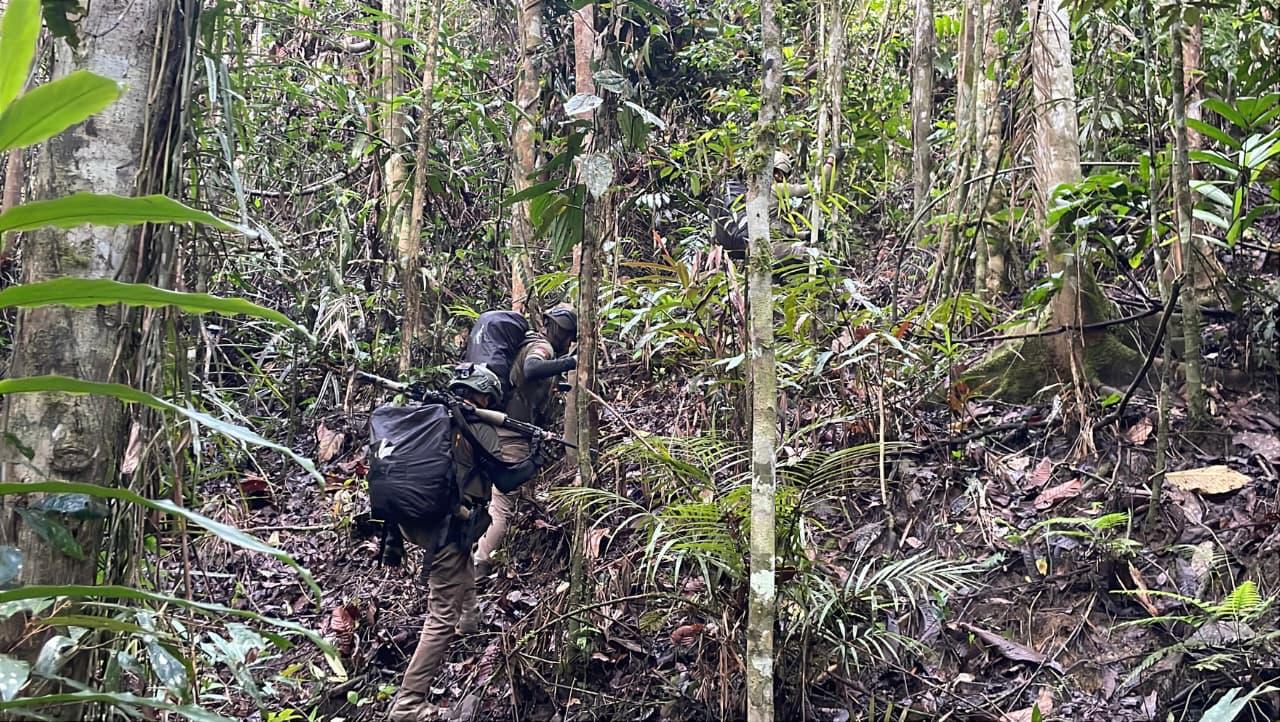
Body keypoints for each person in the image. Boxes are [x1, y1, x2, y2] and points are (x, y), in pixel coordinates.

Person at [389, 364, 549, 722]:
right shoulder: (476, 427)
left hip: (418, 522)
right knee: (440, 615)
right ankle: (408, 702)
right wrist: (536, 458)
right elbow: (506, 480)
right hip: (443, 527)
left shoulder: (430, 417)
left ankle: (470, 621)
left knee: (459, 567)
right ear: (483, 397)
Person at [455, 305, 578, 633]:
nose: (569, 342)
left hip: (504, 427)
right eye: (569, 335)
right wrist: (571, 363)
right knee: (503, 503)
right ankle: (479, 563)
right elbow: (536, 368)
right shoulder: (542, 346)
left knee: (506, 495)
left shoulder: (527, 343)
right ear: (561, 331)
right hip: (511, 430)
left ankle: (482, 556)